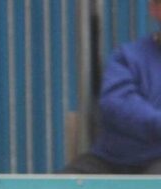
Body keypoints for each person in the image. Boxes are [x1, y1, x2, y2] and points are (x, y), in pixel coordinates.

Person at [61, 0, 161, 174]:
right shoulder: (128, 56)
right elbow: (115, 103)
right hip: (111, 158)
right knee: (59, 186)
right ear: (154, 9)